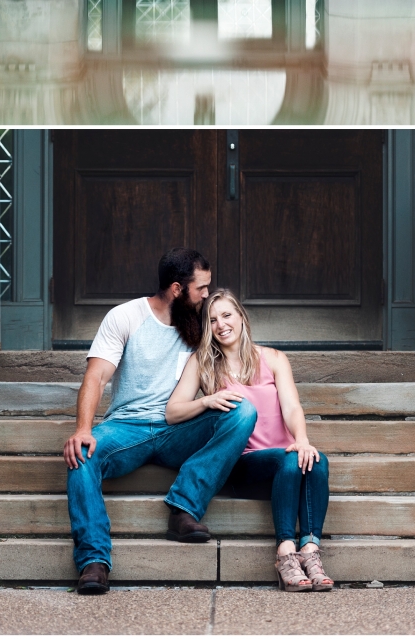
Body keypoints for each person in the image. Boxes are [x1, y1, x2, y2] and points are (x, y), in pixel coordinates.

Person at [64, 250, 258, 595]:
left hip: (180, 428)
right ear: (176, 289)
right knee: (81, 453)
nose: (206, 295)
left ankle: (184, 508)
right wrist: (83, 428)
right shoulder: (125, 317)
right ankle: (94, 560)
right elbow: (95, 378)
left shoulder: (201, 325)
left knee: (242, 412)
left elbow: (236, 357)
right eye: (201, 288)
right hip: (127, 428)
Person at [166, 288, 333, 593]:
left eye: (227, 315)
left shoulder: (273, 358)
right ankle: (285, 552)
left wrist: (303, 439)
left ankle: (310, 552)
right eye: (213, 320)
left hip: (285, 459)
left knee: (317, 462)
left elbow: (292, 406)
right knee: (291, 460)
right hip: (243, 464)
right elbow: (173, 412)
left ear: (241, 318)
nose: (221, 325)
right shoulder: (202, 363)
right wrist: (207, 401)